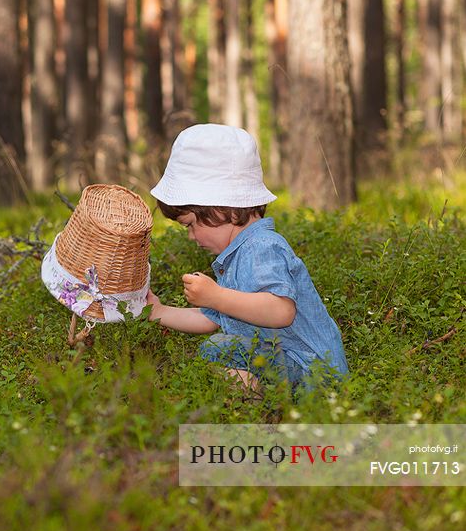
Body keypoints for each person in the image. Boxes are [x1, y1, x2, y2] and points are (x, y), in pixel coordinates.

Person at [146, 124, 349, 393]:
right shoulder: (237, 255)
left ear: (222, 209)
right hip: (291, 364)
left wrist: (215, 296)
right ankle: (264, 409)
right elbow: (210, 318)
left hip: (315, 373)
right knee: (219, 348)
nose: (191, 237)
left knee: (217, 349)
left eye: (191, 224)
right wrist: (157, 311)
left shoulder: (261, 247)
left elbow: (281, 311)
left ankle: (265, 409)